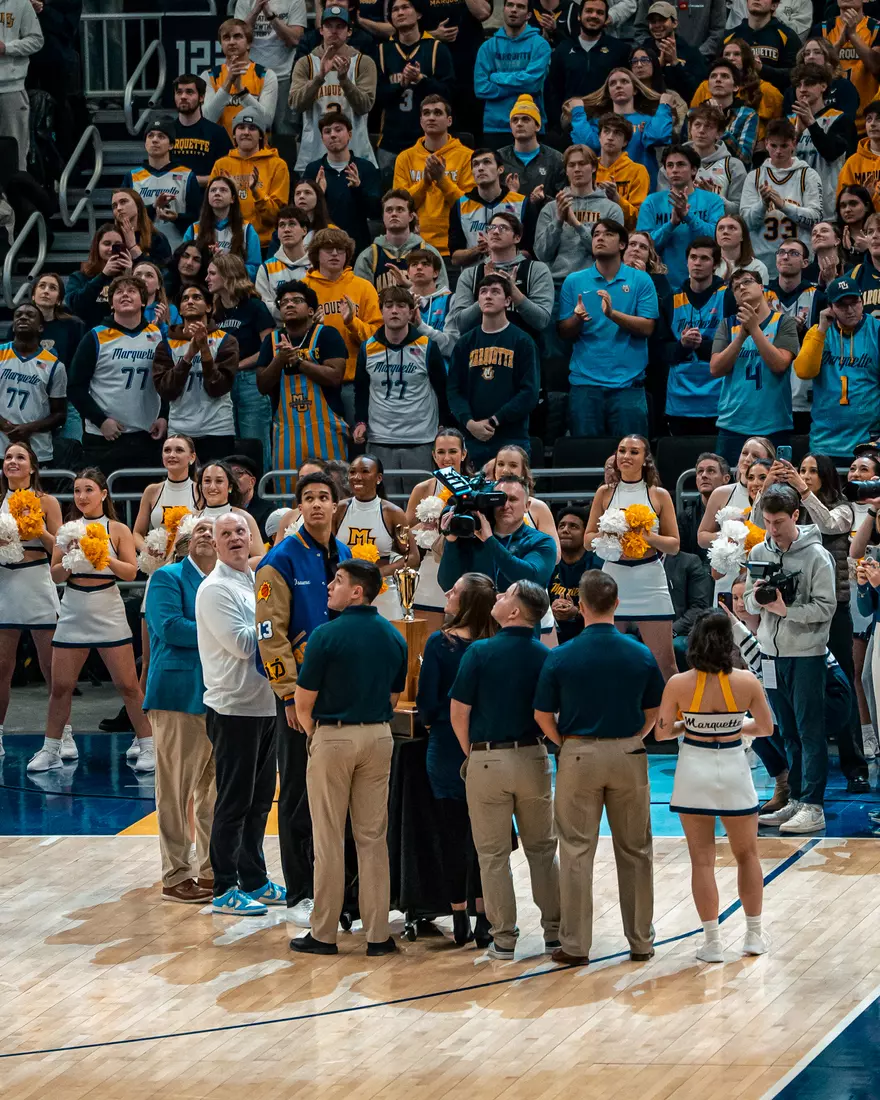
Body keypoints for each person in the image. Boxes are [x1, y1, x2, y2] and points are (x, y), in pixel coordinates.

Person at [534, 569, 662, 965]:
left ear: (582, 605)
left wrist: (567, 744)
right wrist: (632, 738)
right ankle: (641, 942)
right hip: (629, 754)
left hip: (578, 753)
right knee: (636, 851)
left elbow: (542, 715)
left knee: (576, 851)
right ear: (617, 604)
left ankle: (574, 946)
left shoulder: (560, 655)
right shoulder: (640, 653)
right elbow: (654, 710)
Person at [290, 557, 406, 956]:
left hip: (334, 737)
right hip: (378, 736)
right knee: (373, 839)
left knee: (329, 839)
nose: (329, 587)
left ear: (358, 591)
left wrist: (316, 735)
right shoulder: (395, 637)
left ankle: (324, 934)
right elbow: (393, 697)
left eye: (337, 581)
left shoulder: (325, 635)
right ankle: (378, 935)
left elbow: (303, 702)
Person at [255, 471, 352, 924]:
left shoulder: (346, 553)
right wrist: (290, 696)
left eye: (323, 498)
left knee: (341, 792)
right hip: (299, 695)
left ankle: (342, 889)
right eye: (308, 498)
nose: (316, 505)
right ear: (298, 508)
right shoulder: (280, 560)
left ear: (336, 505)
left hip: (343, 690)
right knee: (296, 791)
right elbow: (269, 634)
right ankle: (299, 893)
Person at [450, 579, 560, 960]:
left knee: (492, 856)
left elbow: (458, 713)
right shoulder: (545, 656)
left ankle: (504, 939)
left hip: (487, 759)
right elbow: (551, 714)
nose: (497, 597)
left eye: (505, 594)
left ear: (514, 611)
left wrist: (474, 754)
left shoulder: (478, 652)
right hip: (533, 756)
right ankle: (554, 934)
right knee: (543, 851)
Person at [656, 610, 773, 962]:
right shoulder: (747, 682)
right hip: (734, 768)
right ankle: (753, 935)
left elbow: (662, 731)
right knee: (747, 855)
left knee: (702, 861)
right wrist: (736, 726)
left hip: (694, 768)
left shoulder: (678, 684)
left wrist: (688, 726)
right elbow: (766, 728)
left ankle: (712, 942)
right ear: (729, 643)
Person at [33, 470, 153, 773]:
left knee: (127, 685)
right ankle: (51, 749)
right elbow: (55, 574)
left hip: (107, 608)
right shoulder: (68, 529)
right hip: (74, 607)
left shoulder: (118, 529)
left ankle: (149, 745)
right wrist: (71, 556)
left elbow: (130, 572)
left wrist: (102, 556)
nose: (82, 497)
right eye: (77, 491)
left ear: (103, 493)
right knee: (61, 686)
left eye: (88, 490)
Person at [765, 453, 869, 792]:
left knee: (844, 682)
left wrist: (802, 491)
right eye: (802, 470)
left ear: (825, 475)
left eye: (812, 471)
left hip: (832, 608)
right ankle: (801, 776)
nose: (805, 475)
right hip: (787, 612)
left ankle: (855, 763)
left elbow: (829, 526)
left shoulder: (841, 506)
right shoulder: (785, 509)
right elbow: (758, 521)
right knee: (798, 699)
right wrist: (769, 483)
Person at [195, 511, 282, 915]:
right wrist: (277, 623)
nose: (234, 539)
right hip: (233, 709)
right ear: (215, 543)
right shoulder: (214, 589)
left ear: (250, 538)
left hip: (264, 706)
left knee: (261, 800)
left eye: (240, 532)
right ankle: (223, 886)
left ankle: (255, 878)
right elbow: (245, 645)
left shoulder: (252, 580)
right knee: (233, 801)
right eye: (225, 534)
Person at [744, 484, 837, 834]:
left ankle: (814, 806)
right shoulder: (758, 551)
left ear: (796, 515)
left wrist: (787, 609)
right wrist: (756, 600)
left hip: (807, 654)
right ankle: (796, 798)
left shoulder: (816, 556)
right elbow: (750, 604)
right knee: (787, 731)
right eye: (767, 521)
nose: (772, 529)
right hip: (770, 654)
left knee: (810, 731)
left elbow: (827, 607)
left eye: (779, 521)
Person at [416, 573, 493, 946]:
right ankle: (484, 917)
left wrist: (431, 723)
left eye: (455, 591)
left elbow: (427, 702)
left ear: (467, 603)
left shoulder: (440, 643)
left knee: (450, 833)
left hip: (446, 745)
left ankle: (458, 914)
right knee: (484, 837)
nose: (446, 593)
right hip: (485, 745)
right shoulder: (493, 644)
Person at [144, 515, 217, 905]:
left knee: (214, 792)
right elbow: (170, 628)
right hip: (177, 694)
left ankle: (210, 869)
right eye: (198, 531)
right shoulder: (167, 578)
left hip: (221, 696)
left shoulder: (229, 580)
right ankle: (175, 874)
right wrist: (224, 632)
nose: (205, 535)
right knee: (175, 790)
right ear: (187, 542)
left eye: (212, 531)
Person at [585, 435, 680, 680]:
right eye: (622, 450)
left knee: (666, 665)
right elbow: (587, 540)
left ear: (645, 460)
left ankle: (672, 717)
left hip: (649, 577)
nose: (626, 456)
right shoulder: (604, 493)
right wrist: (608, 536)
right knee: (604, 662)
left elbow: (674, 545)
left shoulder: (659, 495)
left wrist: (647, 537)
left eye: (634, 452)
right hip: (612, 578)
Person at [558, 218, 658, 438]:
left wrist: (612, 315)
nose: (600, 238)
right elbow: (564, 332)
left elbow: (648, 328)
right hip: (585, 386)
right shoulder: (574, 281)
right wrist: (576, 319)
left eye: (608, 234)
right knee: (586, 463)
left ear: (622, 245)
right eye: (596, 234)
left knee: (632, 462)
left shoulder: (641, 280)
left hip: (628, 386)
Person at [353, 285, 448, 493]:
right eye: (389, 305)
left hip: (421, 438)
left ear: (411, 311)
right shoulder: (367, 348)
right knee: (386, 505)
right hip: (380, 439)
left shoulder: (427, 346)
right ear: (381, 310)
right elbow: (360, 391)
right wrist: (360, 422)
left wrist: (444, 424)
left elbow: (442, 389)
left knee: (420, 507)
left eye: (401, 305)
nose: (394, 310)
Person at [0, 442, 63, 759]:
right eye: (8, 457)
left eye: (20, 457)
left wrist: (38, 529)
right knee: (1, 667)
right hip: (3, 586)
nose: (12, 461)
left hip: (38, 583)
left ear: (33, 467)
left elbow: (62, 549)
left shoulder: (47, 501)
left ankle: (62, 736)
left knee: (52, 667)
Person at [68, 276, 166, 475]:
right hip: (104, 438)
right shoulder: (95, 336)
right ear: (111, 303)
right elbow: (75, 387)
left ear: (143, 300)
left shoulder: (157, 336)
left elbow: (165, 383)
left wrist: (164, 416)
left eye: (131, 291)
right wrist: (101, 421)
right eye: (119, 292)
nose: (125, 295)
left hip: (147, 437)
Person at [256, 279, 348, 475]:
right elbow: (262, 385)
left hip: (326, 429)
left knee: (333, 488)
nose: (289, 304)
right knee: (288, 491)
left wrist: (298, 361)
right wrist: (280, 359)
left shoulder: (327, 334)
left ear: (311, 311)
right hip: (287, 432)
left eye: (297, 300)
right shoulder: (272, 341)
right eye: (284, 302)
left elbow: (335, 376)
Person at [446, 274, 540, 467]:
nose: (488, 296)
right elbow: (454, 390)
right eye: (483, 292)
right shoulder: (465, 343)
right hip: (472, 438)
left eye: (495, 292)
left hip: (512, 438)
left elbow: (529, 393)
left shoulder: (523, 341)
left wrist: (495, 420)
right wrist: (470, 423)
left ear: (507, 301)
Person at [709, 268, 798, 466]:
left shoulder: (784, 322)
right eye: (736, 287)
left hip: (773, 426)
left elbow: (779, 365)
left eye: (747, 282)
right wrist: (741, 335)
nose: (742, 287)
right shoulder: (727, 325)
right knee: (731, 487)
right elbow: (715, 369)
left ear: (761, 287)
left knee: (775, 489)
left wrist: (754, 329)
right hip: (732, 425)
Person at [793, 277, 880, 460]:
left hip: (867, 443)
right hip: (823, 443)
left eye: (854, 303)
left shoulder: (876, 331)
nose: (850, 310)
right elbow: (803, 371)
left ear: (862, 301)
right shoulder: (818, 333)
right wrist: (822, 330)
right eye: (842, 305)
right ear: (830, 307)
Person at [303, 227, 382, 423]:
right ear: (316, 254)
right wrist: (312, 329)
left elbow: (376, 338)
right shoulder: (304, 287)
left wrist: (351, 322)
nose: (335, 254)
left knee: (356, 440)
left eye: (340, 249)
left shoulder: (363, 287)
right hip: (314, 379)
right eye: (328, 249)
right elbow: (293, 334)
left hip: (353, 382)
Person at [153, 284, 239, 462]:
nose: (190, 301)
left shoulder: (226, 341)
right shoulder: (165, 345)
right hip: (179, 430)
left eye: (197, 297)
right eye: (185, 299)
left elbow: (219, 387)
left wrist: (204, 350)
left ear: (209, 307)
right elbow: (166, 390)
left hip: (218, 429)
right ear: (181, 310)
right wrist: (189, 354)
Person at [291, 4, 377, 172]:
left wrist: (344, 80)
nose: (334, 31)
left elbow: (365, 106)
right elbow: (295, 105)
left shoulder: (363, 62)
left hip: (356, 153)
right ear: (321, 30)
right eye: (329, 26)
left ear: (349, 32)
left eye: (340, 26)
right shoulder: (306, 63)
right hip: (314, 153)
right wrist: (319, 77)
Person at [206, 254, 274, 464]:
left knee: (254, 441)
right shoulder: (215, 311)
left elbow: (269, 345)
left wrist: (238, 366)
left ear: (228, 276)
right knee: (231, 444)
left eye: (212, 273)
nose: (207, 278)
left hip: (251, 381)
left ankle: (261, 492)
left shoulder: (254, 306)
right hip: (224, 383)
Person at [448, 212, 555, 345]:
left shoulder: (536, 270)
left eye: (503, 228)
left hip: (523, 352)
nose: (495, 232)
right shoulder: (470, 274)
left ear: (517, 237)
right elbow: (460, 324)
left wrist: (513, 291)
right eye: (491, 228)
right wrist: (486, 295)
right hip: (479, 353)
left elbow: (541, 321)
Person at [373, 0, 454, 171]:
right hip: (390, 142)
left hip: (429, 142)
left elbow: (449, 94)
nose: (400, 12)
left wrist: (421, 80)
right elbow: (376, 98)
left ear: (419, 14)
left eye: (405, 7)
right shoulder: (382, 51)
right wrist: (401, 84)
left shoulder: (436, 49)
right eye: (395, 10)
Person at [334, 453, 418, 616]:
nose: (357, 477)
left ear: (378, 478)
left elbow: (412, 557)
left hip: (382, 593)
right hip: (345, 592)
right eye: (352, 472)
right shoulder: (339, 510)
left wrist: (380, 572)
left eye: (365, 472)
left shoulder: (392, 513)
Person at [392, 94, 475, 257]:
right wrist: (424, 183)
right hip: (414, 247)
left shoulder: (468, 157)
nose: (431, 117)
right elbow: (399, 207)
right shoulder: (405, 158)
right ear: (421, 121)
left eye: (437, 113)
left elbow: (470, 208)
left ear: (449, 120)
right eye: (426, 113)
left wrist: (442, 181)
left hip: (456, 249)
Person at [740, 118, 823, 278]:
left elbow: (816, 218)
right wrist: (763, 204)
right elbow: (746, 223)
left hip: (799, 263)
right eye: (773, 145)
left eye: (784, 145)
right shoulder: (754, 176)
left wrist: (783, 205)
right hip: (762, 264)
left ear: (794, 143)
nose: (778, 151)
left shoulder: (808, 175)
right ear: (766, 144)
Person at [571, 67, 676, 190]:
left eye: (624, 82)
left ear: (635, 89)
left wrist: (664, 106)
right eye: (613, 83)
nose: (618, 86)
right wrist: (577, 111)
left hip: (641, 189)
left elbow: (658, 136)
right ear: (608, 93)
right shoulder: (599, 123)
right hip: (605, 190)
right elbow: (586, 145)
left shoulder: (647, 120)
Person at [534, 144, 624, 288]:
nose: (577, 169)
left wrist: (576, 224)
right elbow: (542, 254)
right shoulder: (551, 208)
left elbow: (609, 252)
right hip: (557, 285)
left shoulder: (611, 209)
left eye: (582, 164)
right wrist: (558, 221)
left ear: (594, 167)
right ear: (566, 170)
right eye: (572, 165)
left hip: (596, 284)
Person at [637, 145, 724, 290]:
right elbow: (642, 247)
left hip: (703, 284)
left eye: (681, 164)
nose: (674, 170)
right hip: (661, 284)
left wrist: (688, 216)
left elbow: (717, 238)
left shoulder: (713, 201)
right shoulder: (651, 202)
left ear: (694, 170)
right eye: (670, 165)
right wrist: (671, 224)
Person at [665, 238, 727, 434]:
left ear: (715, 264)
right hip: (680, 402)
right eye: (693, 257)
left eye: (704, 258)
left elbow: (737, 345)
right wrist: (682, 345)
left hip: (718, 401)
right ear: (686, 262)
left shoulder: (729, 297)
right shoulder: (670, 300)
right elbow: (660, 350)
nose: (697, 263)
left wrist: (701, 345)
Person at [234, 0, 307, 165]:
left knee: (285, 134)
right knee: (250, 129)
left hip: (284, 76)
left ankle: (287, 182)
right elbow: (237, 37)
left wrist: (270, 15)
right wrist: (255, 11)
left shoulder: (295, 1)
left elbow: (295, 40)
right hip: (251, 76)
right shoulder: (244, 1)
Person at [474, 0, 552, 150]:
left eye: (520, 6)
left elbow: (533, 84)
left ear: (529, 14)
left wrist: (497, 77)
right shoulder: (487, 47)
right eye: (510, 5)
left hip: (531, 123)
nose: (514, 10)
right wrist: (521, 88)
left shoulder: (540, 45)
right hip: (496, 127)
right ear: (503, 9)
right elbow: (481, 88)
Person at [209, 108, 290, 250]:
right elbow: (209, 208)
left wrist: (256, 193)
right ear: (234, 134)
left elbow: (277, 216)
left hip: (264, 244)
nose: (246, 132)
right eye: (241, 128)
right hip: (226, 243)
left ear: (260, 135)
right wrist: (230, 194)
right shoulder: (221, 165)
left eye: (252, 128)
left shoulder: (278, 165)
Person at [303, 110, 381, 255]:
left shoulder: (365, 168)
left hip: (358, 247)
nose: (333, 135)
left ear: (349, 135)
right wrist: (318, 194)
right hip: (322, 246)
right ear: (322, 138)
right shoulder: (313, 169)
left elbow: (376, 212)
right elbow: (303, 212)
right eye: (327, 131)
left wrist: (358, 189)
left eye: (338, 130)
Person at [788, 64, 857, 222]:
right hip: (796, 206)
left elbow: (831, 152)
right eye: (799, 85)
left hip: (828, 209)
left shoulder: (840, 119)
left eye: (809, 83)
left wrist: (812, 124)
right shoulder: (789, 123)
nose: (803, 89)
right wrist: (797, 134)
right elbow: (780, 160)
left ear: (823, 86)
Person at [545, 0, 631, 126]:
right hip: (570, 126)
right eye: (589, 11)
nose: (594, 16)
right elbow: (553, 92)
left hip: (609, 127)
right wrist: (558, 126)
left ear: (606, 18)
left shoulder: (620, 50)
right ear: (579, 16)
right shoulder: (562, 50)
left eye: (600, 13)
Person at [0, 302, 66, 465]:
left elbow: (59, 414)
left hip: (37, 450)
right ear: (13, 326)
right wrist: (3, 424)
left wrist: (29, 428)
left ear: (41, 328)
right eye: (18, 315)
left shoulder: (55, 366)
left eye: (30, 315)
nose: (23, 317)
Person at [122, 119, 201, 253]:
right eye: (150, 135)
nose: (155, 140)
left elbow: (197, 216)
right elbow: (124, 216)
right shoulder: (132, 176)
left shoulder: (187, 176)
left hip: (178, 249)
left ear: (171, 145)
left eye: (161, 136)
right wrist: (154, 207)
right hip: (141, 248)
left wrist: (176, 218)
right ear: (145, 143)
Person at [353, 189, 448, 293]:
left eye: (400, 210)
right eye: (389, 210)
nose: (394, 214)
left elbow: (442, 296)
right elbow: (361, 299)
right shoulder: (369, 256)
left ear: (411, 216)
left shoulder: (429, 252)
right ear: (383, 217)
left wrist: (410, 287)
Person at [448, 149, 529, 268]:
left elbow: (529, 252)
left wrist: (500, 251)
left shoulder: (521, 202)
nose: (480, 168)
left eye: (487, 162)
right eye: (475, 164)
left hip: (513, 274)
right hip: (474, 278)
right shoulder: (460, 205)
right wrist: (478, 249)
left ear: (500, 169)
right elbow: (455, 258)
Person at [201, 18, 279, 140]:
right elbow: (208, 118)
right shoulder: (209, 76)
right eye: (226, 38)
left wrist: (241, 91)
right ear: (221, 45)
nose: (231, 42)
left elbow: (266, 121)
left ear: (249, 43)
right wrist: (228, 83)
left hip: (257, 153)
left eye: (237, 37)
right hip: (221, 153)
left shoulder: (266, 75)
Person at [666, 105, 745, 217]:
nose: (702, 131)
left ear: (719, 133)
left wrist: (714, 198)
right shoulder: (672, 164)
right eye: (697, 125)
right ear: (690, 129)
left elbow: (739, 211)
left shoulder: (733, 166)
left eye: (708, 126)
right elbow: (661, 206)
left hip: (717, 231)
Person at [817, 0, 880, 135]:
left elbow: (876, 67)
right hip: (827, 123)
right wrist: (839, 43)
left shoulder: (876, 28)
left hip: (869, 123)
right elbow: (814, 71)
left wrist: (853, 35)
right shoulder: (822, 29)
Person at [499, 95, 565, 205]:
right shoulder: (498, 158)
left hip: (546, 219)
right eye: (515, 120)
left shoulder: (556, 159)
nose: (519, 123)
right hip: (507, 219)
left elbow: (563, 199)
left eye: (525, 119)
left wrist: (543, 200)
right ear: (511, 127)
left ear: (537, 126)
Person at [0, 0, 42, 171]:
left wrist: (7, 48)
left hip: (12, 87)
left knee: (15, 154)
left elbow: (36, 40)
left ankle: (15, 196)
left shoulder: (20, 3)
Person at [170, 74, 233, 188]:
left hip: (207, 201)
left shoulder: (217, 133)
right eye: (179, 92)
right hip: (172, 201)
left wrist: (188, 180)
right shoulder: (166, 132)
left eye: (189, 92)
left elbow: (227, 175)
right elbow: (157, 173)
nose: (183, 96)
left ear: (201, 97)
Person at [723, 0, 799, 94]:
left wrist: (762, 69)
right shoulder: (729, 36)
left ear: (774, 5)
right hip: (734, 99)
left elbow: (795, 74)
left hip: (773, 100)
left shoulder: (787, 36)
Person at [641, 1, 706, 104]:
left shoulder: (690, 52)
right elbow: (637, 88)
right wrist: (658, 66)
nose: (657, 25)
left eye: (662, 20)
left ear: (675, 23)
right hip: (650, 109)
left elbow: (697, 91)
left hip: (684, 110)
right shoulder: (642, 52)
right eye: (653, 22)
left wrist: (676, 64)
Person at [548, 507, 596, 644]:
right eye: (561, 526)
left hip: (587, 635)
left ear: (585, 533)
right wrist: (551, 608)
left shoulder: (597, 564)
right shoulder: (549, 561)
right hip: (552, 634)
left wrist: (576, 612)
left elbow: (603, 608)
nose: (565, 530)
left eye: (573, 526)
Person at [698, 58, 758, 166]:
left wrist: (720, 124)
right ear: (708, 86)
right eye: (713, 76)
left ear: (736, 87)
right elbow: (688, 152)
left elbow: (745, 158)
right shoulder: (695, 113)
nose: (718, 79)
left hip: (733, 175)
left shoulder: (748, 114)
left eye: (724, 76)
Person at [593, 114, 650, 229]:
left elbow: (640, 218)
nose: (610, 137)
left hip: (624, 237)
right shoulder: (589, 169)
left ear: (625, 142)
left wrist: (617, 199)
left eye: (617, 133)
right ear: (599, 137)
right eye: (606, 131)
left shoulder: (638, 171)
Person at [195, 461, 263, 553]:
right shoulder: (189, 519)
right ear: (200, 486)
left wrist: (226, 566)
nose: (212, 487)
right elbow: (173, 557)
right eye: (207, 481)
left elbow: (259, 558)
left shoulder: (244, 518)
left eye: (219, 481)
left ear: (230, 487)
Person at [255, 206, 310, 317]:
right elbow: (263, 305)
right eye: (282, 225)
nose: (286, 229)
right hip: (277, 330)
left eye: (292, 224)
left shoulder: (315, 266)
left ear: (304, 230)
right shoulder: (266, 268)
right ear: (278, 233)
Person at [678, 452, 730, 557]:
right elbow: (681, 558)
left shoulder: (737, 510)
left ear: (726, 479)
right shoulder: (686, 517)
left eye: (711, 471)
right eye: (700, 471)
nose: (704, 475)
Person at [635, 0, 725, 58]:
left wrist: (696, 56)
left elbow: (718, 30)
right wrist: (656, 54)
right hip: (658, 62)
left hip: (702, 60)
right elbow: (640, 30)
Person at [110, 188, 173, 270]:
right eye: (114, 206)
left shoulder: (157, 238)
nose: (118, 208)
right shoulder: (109, 238)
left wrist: (133, 247)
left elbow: (163, 274)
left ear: (138, 205)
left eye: (123, 202)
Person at [837, 99, 880, 207]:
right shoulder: (852, 163)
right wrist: (864, 198)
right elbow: (842, 204)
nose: (873, 124)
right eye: (869, 119)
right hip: (863, 223)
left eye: (878, 119)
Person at [133, 262, 181, 338]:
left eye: (149, 275)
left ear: (158, 285)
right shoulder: (123, 309)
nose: (142, 279)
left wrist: (161, 326)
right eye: (138, 275)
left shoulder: (171, 310)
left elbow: (176, 345)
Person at [838, 184, 874, 268]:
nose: (847, 210)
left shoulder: (878, 233)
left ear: (867, 206)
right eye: (843, 206)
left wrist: (868, 250)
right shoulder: (835, 237)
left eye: (853, 204)